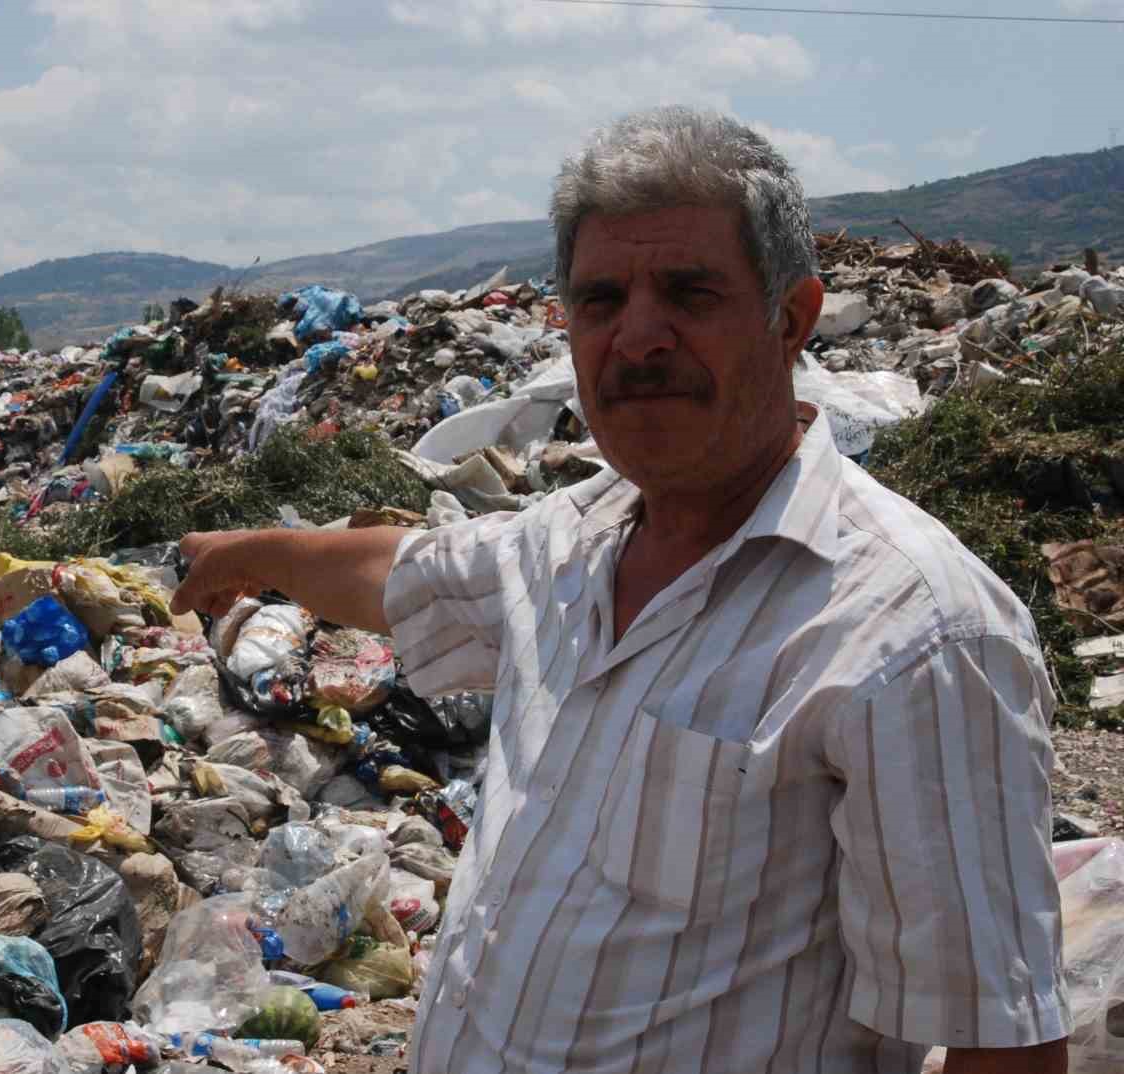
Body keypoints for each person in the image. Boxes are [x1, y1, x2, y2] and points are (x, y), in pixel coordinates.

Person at [171, 107, 1069, 1074]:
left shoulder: (920, 634)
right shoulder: (575, 534)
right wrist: (255, 552)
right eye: (601, 300)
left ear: (792, 319)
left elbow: (999, 1041)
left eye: (690, 292)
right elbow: (406, 574)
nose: (637, 337)